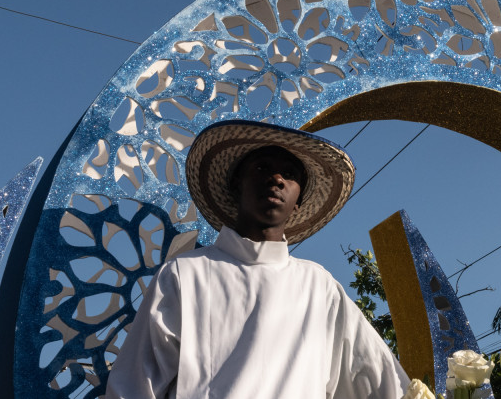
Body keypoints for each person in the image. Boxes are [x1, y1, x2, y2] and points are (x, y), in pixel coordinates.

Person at [105, 120, 409, 398]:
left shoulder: (320, 287)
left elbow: (382, 379)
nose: (276, 179)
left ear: (299, 199)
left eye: (289, 175)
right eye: (263, 168)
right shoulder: (185, 275)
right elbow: (133, 386)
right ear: (237, 182)